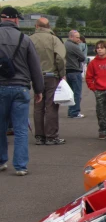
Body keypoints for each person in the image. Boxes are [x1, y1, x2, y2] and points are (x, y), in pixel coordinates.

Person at [0, 6, 44, 176]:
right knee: (20, 129)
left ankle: (2, 160)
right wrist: (39, 89)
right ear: (15, 19)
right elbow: (35, 66)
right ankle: (20, 166)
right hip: (20, 87)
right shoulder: (24, 39)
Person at [29, 17, 66, 146]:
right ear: (49, 26)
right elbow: (60, 58)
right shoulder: (54, 39)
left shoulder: (30, 39)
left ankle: (39, 136)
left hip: (36, 76)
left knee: (38, 106)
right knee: (51, 106)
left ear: (36, 26)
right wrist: (62, 74)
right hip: (51, 76)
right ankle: (51, 136)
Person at [64, 30, 85, 119]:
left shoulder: (64, 44)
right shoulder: (74, 46)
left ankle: (71, 111)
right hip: (75, 71)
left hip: (67, 71)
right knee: (76, 93)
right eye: (77, 37)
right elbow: (82, 57)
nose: (79, 39)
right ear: (71, 37)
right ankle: (75, 112)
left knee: (71, 93)